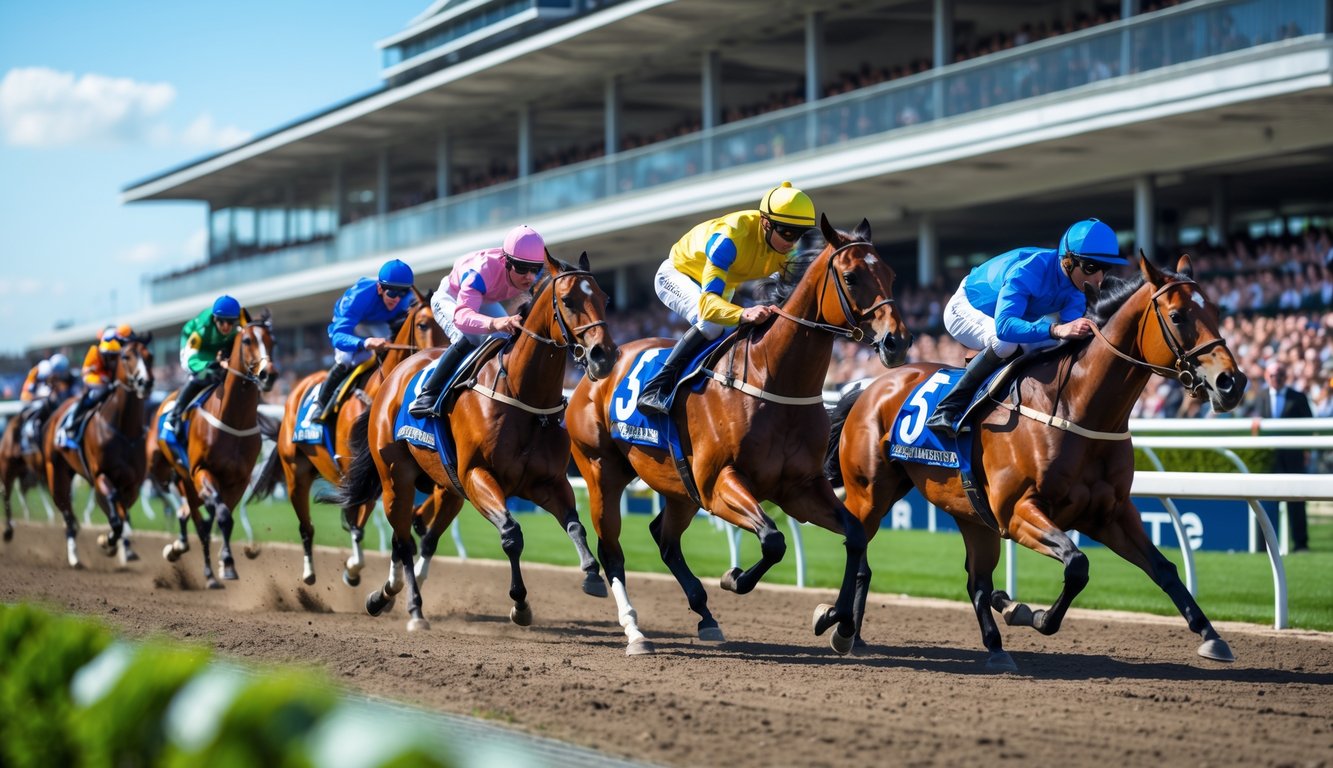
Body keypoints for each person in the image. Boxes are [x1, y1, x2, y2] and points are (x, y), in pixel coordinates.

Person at [924, 217, 1129, 437]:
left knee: (1047, 346)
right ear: (1068, 261)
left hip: (1008, 319)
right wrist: (1056, 329)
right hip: (965, 308)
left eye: (1105, 269)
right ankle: (948, 408)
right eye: (1091, 267)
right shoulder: (1029, 269)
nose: (1098, 278)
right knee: (1005, 343)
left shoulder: (1075, 289)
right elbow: (1004, 327)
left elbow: (1070, 337)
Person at [635, 181, 817, 415]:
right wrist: (743, 312)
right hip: (678, 274)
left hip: (724, 283)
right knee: (712, 326)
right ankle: (655, 387)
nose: (791, 242)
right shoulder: (729, 238)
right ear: (765, 223)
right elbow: (709, 305)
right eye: (786, 232)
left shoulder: (786, 250)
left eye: (799, 235)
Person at [408, 225, 546, 418]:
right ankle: (428, 393)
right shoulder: (480, 272)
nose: (530, 277)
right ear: (506, 261)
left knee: (508, 338)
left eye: (536, 269)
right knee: (469, 338)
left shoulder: (534, 276)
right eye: (522, 268)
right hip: (453, 299)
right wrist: (494, 323)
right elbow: (462, 316)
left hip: (485, 300)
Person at [313, 259, 416, 423]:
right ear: (380, 288)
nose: (397, 299)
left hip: (381, 322)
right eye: (392, 293)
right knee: (346, 359)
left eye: (402, 293)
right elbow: (338, 336)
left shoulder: (406, 299)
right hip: (353, 323)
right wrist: (365, 343)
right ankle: (321, 403)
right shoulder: (359, 297)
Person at [1247, 360, 1313, 552]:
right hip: (1269, 457)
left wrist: (1306, 450)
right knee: (1267, 502)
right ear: (1267, 377)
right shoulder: (1260, 397)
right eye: (1273, 375)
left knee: (1297, 501)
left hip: (1293, 456)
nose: (1277, 378)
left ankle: (1301, 544)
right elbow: (1249, 416)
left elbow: (1309, 425)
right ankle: (1265, 544)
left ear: (1286, 376)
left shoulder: (1298, 397)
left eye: (1280, 374)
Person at [162, 295, 243, 438]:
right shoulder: (201, 330)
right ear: (214, 319)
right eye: (222, 322)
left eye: (230, 322)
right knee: (200, 376)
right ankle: (174, 416)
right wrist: (214, 364)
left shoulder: (239, 324)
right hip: (197, 351)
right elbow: (188, 362)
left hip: (219, 345)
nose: (226, 326)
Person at [55, 333, 123, 449]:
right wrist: (103, 381)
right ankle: (70, 427)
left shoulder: (118, 355)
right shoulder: (94, 352)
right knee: (93, 396)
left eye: (114, 356)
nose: (112, 360)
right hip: (94, 384)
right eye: (109, 356)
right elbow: (86, 373)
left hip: (108, 384)